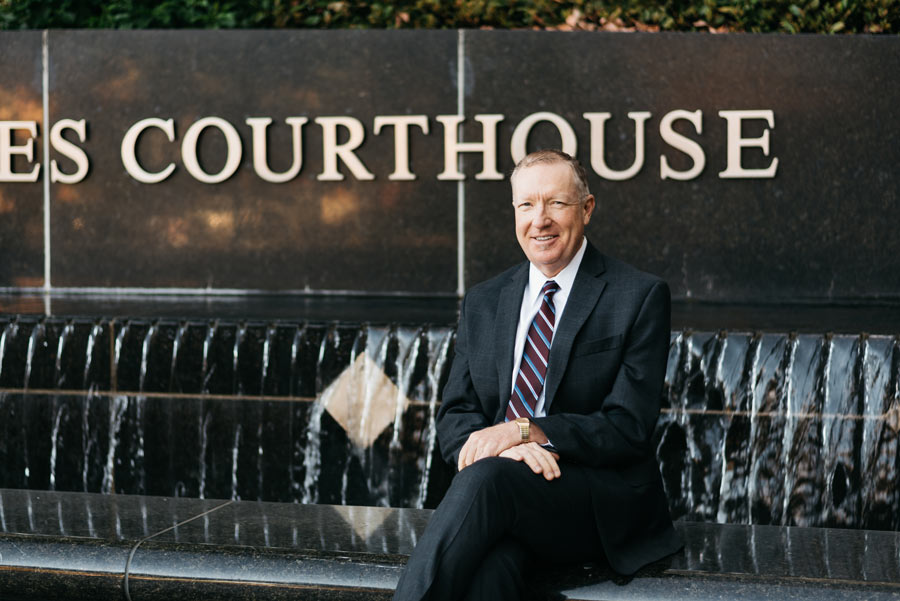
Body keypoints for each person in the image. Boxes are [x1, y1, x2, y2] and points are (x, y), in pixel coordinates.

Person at [393, 149, 682, 601]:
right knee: (490, 571)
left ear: (586, 209)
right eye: (526, 205)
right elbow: (455, 416)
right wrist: (507, 451)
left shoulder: (638, 296)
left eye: (556, 204)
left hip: (595, 500)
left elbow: (628, 427)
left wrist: (524, 431)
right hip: (502, 490)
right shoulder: (484, 302)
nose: (539, 220)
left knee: (488, 485)